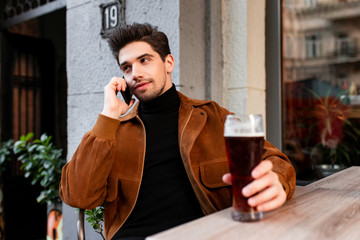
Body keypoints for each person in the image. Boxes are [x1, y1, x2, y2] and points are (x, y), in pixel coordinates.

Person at [59, 23, 296, 240]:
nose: (135, 74)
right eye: (127, 67)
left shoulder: (211, 116)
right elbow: (77, 196)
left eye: (145, 60)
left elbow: (274, 160)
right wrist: (108, 115)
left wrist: (275, 181)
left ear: (168, 63)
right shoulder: (112, 131)